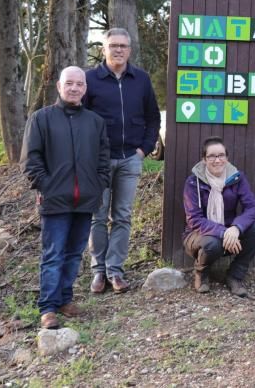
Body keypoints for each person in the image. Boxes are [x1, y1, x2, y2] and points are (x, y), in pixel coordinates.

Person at [21, 67, 110, 329]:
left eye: (79, 84)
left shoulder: (95, 122)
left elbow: (103, 160)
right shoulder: (41, 118)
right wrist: (47, 186)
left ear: (85, 88)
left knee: (74, 254)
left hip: (85, 201)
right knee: (53, 254)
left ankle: (65, 299)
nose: (74, 88)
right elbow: (31, 160)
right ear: (59, 87)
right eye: (68, 83)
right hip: (54, 202)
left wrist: (97, 186)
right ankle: (48, 308)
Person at [84, 28, 161, 294]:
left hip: (131, 158)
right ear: (103, 48)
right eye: (114, 45)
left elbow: (153, 117)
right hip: (99, 161)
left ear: (130, 49)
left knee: (123, 217)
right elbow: (78, 119)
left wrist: (144, 148)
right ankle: (98, 272)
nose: (119, 50)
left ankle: (115, 270)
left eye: (124, 46)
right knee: (97, 216)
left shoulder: (140, 79)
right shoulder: (89, 79)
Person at [182, 137, 255, 297]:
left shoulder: (237, 178)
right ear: (204, 159)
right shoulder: (193, 182)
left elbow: (253, 207)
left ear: (227, 158)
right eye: (212, 156)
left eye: (221, 155)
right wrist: (224, 232)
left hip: (230, 231)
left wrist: (236, 228)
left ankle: (235, 276)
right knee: (212, 243)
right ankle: (202, 274)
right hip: (197, 235)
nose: (217, 160)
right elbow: (194, 219)